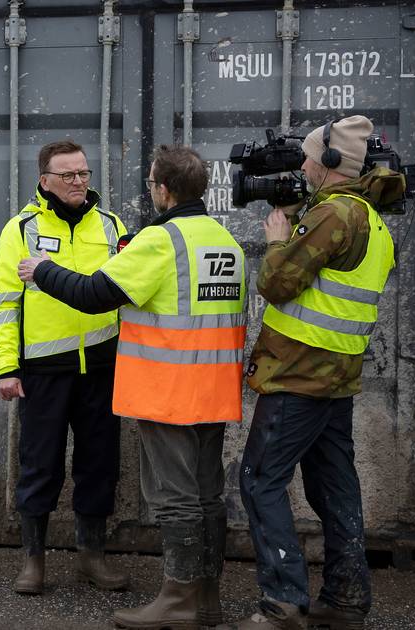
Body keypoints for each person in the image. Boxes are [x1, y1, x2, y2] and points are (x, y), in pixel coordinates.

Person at [18, 145, 247, 628]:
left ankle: (178, 600)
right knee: (208, 497)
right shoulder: (224, 239)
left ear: (162, 190)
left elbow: (93, 294)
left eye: (150, 182)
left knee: (176, 498)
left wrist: (42, 271)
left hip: (169, 392)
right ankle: (207, 600)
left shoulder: (160, 240)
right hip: (214, 390)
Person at [235, 115, 401, 630]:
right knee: (333, 486)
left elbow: (278, 283)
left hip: (299, 374)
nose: (302, 165)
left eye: (309, 156)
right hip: (336, 374)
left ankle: (283, 606)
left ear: (331, 163)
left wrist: (280, 238)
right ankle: (346, 600)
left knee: (260, 480)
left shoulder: (334, 215)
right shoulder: (370, 218)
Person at [0, 139, 128, 595]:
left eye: (84, 173)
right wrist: (7, 368)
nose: (78, 182)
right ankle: (33, 562)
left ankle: (92, 557)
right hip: (43, 370)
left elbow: (130, 293)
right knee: (40, 464)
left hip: (103, 366)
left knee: (99, 464)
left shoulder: (111, 225)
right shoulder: (22, 229)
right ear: (44, 180)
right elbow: (4, 303)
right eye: (67, 175)